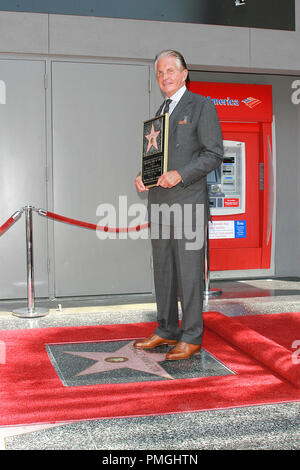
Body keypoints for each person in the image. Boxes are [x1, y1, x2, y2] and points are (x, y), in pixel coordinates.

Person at [134, 50, 223, 360]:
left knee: (188, 273)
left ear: (185, 73)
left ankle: (192, 335)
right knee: (164, 271)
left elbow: (213, 155)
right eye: (160, 72)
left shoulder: (201, 106)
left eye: (171, 70)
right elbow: (157, 161)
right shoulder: (159, 113)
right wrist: (144, 177)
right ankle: (167, 329)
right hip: (159, 205)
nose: (165, 76)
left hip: (188, 205)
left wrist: (181, 175)